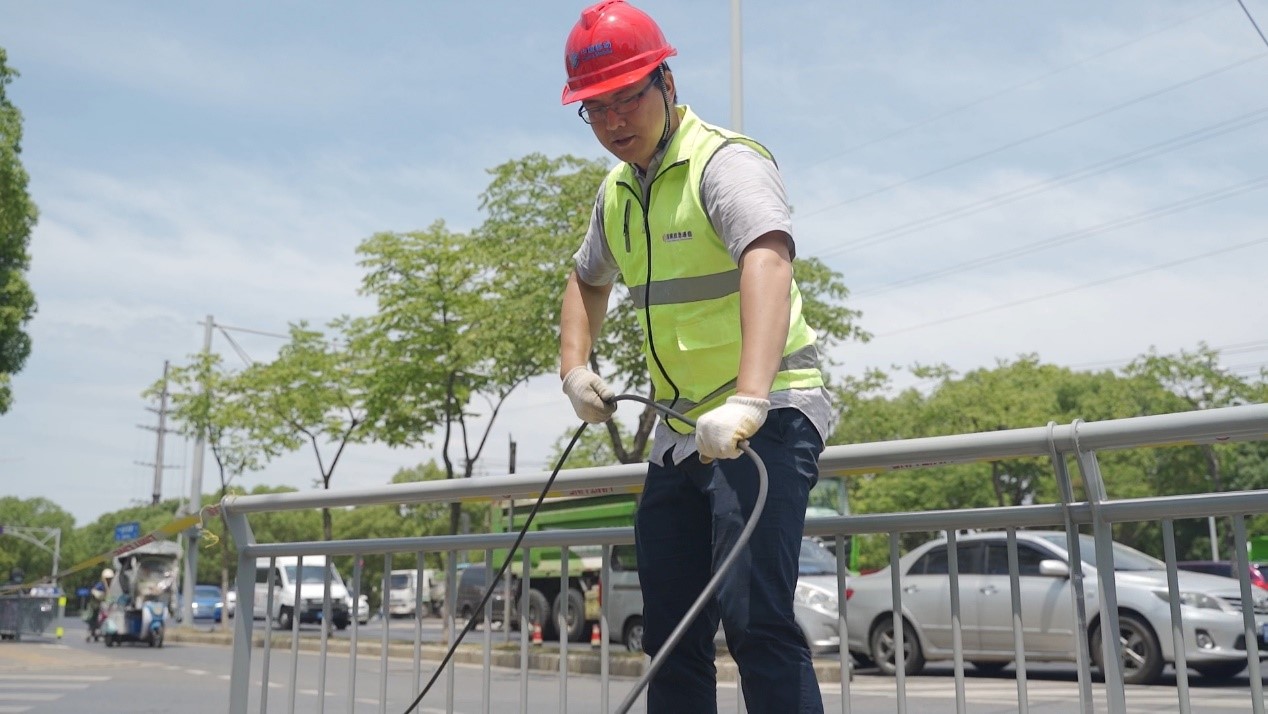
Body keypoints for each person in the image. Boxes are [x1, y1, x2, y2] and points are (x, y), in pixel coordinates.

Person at [556, 2, 832, 712]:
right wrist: (575, 368)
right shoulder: (616, 192)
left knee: (755, 620)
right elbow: (586, 278)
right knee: (672, 633)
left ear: (667, 82)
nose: (615, 120)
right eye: (596, 108)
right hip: (678, 433)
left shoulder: (724, 163)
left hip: (766, 416)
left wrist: (747, 398)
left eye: (627, 98)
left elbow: (767, 260)